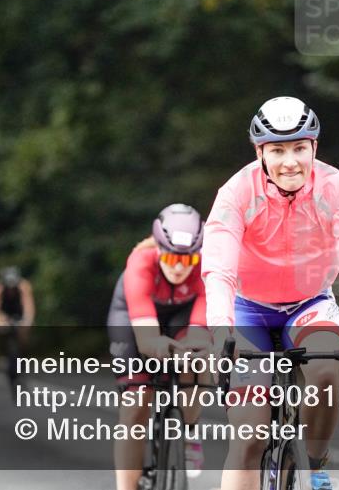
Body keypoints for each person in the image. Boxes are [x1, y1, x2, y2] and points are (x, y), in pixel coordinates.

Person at [202, 96, 339, 490]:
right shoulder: (236, 193)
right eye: (278, 150)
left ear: (314, 147)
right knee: (249, 435)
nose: (290, 161)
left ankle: (315, 464)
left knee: (326, 375)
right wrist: (220, 331)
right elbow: (219, 269)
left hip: (310, 304)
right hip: (249, 308)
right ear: (259, 152)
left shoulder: (336, 190)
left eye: (299, 148)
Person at [108, 204, 212, 489]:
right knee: (136, 402)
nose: (179, 267)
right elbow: (147, 341)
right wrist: (159, 347)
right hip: (133, 319)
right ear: (158, 249)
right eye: (170, 257)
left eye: (188, 261)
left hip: (181, 315)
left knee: (198, 359)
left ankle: (188, 429)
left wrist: (196, 350)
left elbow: (201, 333)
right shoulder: (141, 261)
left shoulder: (208, 266)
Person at [0, 266, 35, 392]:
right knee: (1, 336)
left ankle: (23, 361)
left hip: (19, 313)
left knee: (23, 338)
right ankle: (3, 355)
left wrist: (26, 322)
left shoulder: (24, 286)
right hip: (4, 315)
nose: (11, 290)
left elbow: (28, 306)